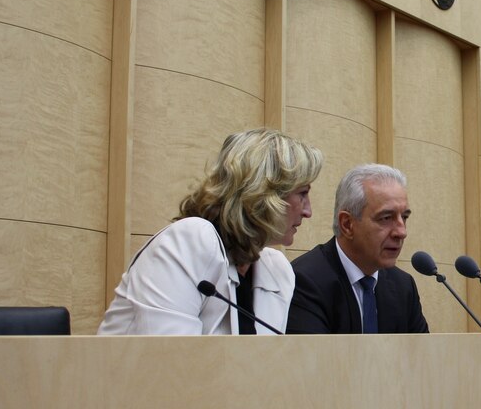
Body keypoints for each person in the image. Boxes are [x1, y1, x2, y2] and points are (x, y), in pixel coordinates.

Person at [99, 128, 323, 335]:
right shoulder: (190, 241)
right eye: (302, 193)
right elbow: (168, 364)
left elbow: (269, 364)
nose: (308, 211)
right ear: (263, 195)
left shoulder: (277, 269)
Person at [286, 164, 428, 334]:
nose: (402, 232)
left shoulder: (403, 286)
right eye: (386, 218)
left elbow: (421, 359)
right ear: (347, 224)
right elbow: (315, 360)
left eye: (404, 217)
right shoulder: (305, 281)